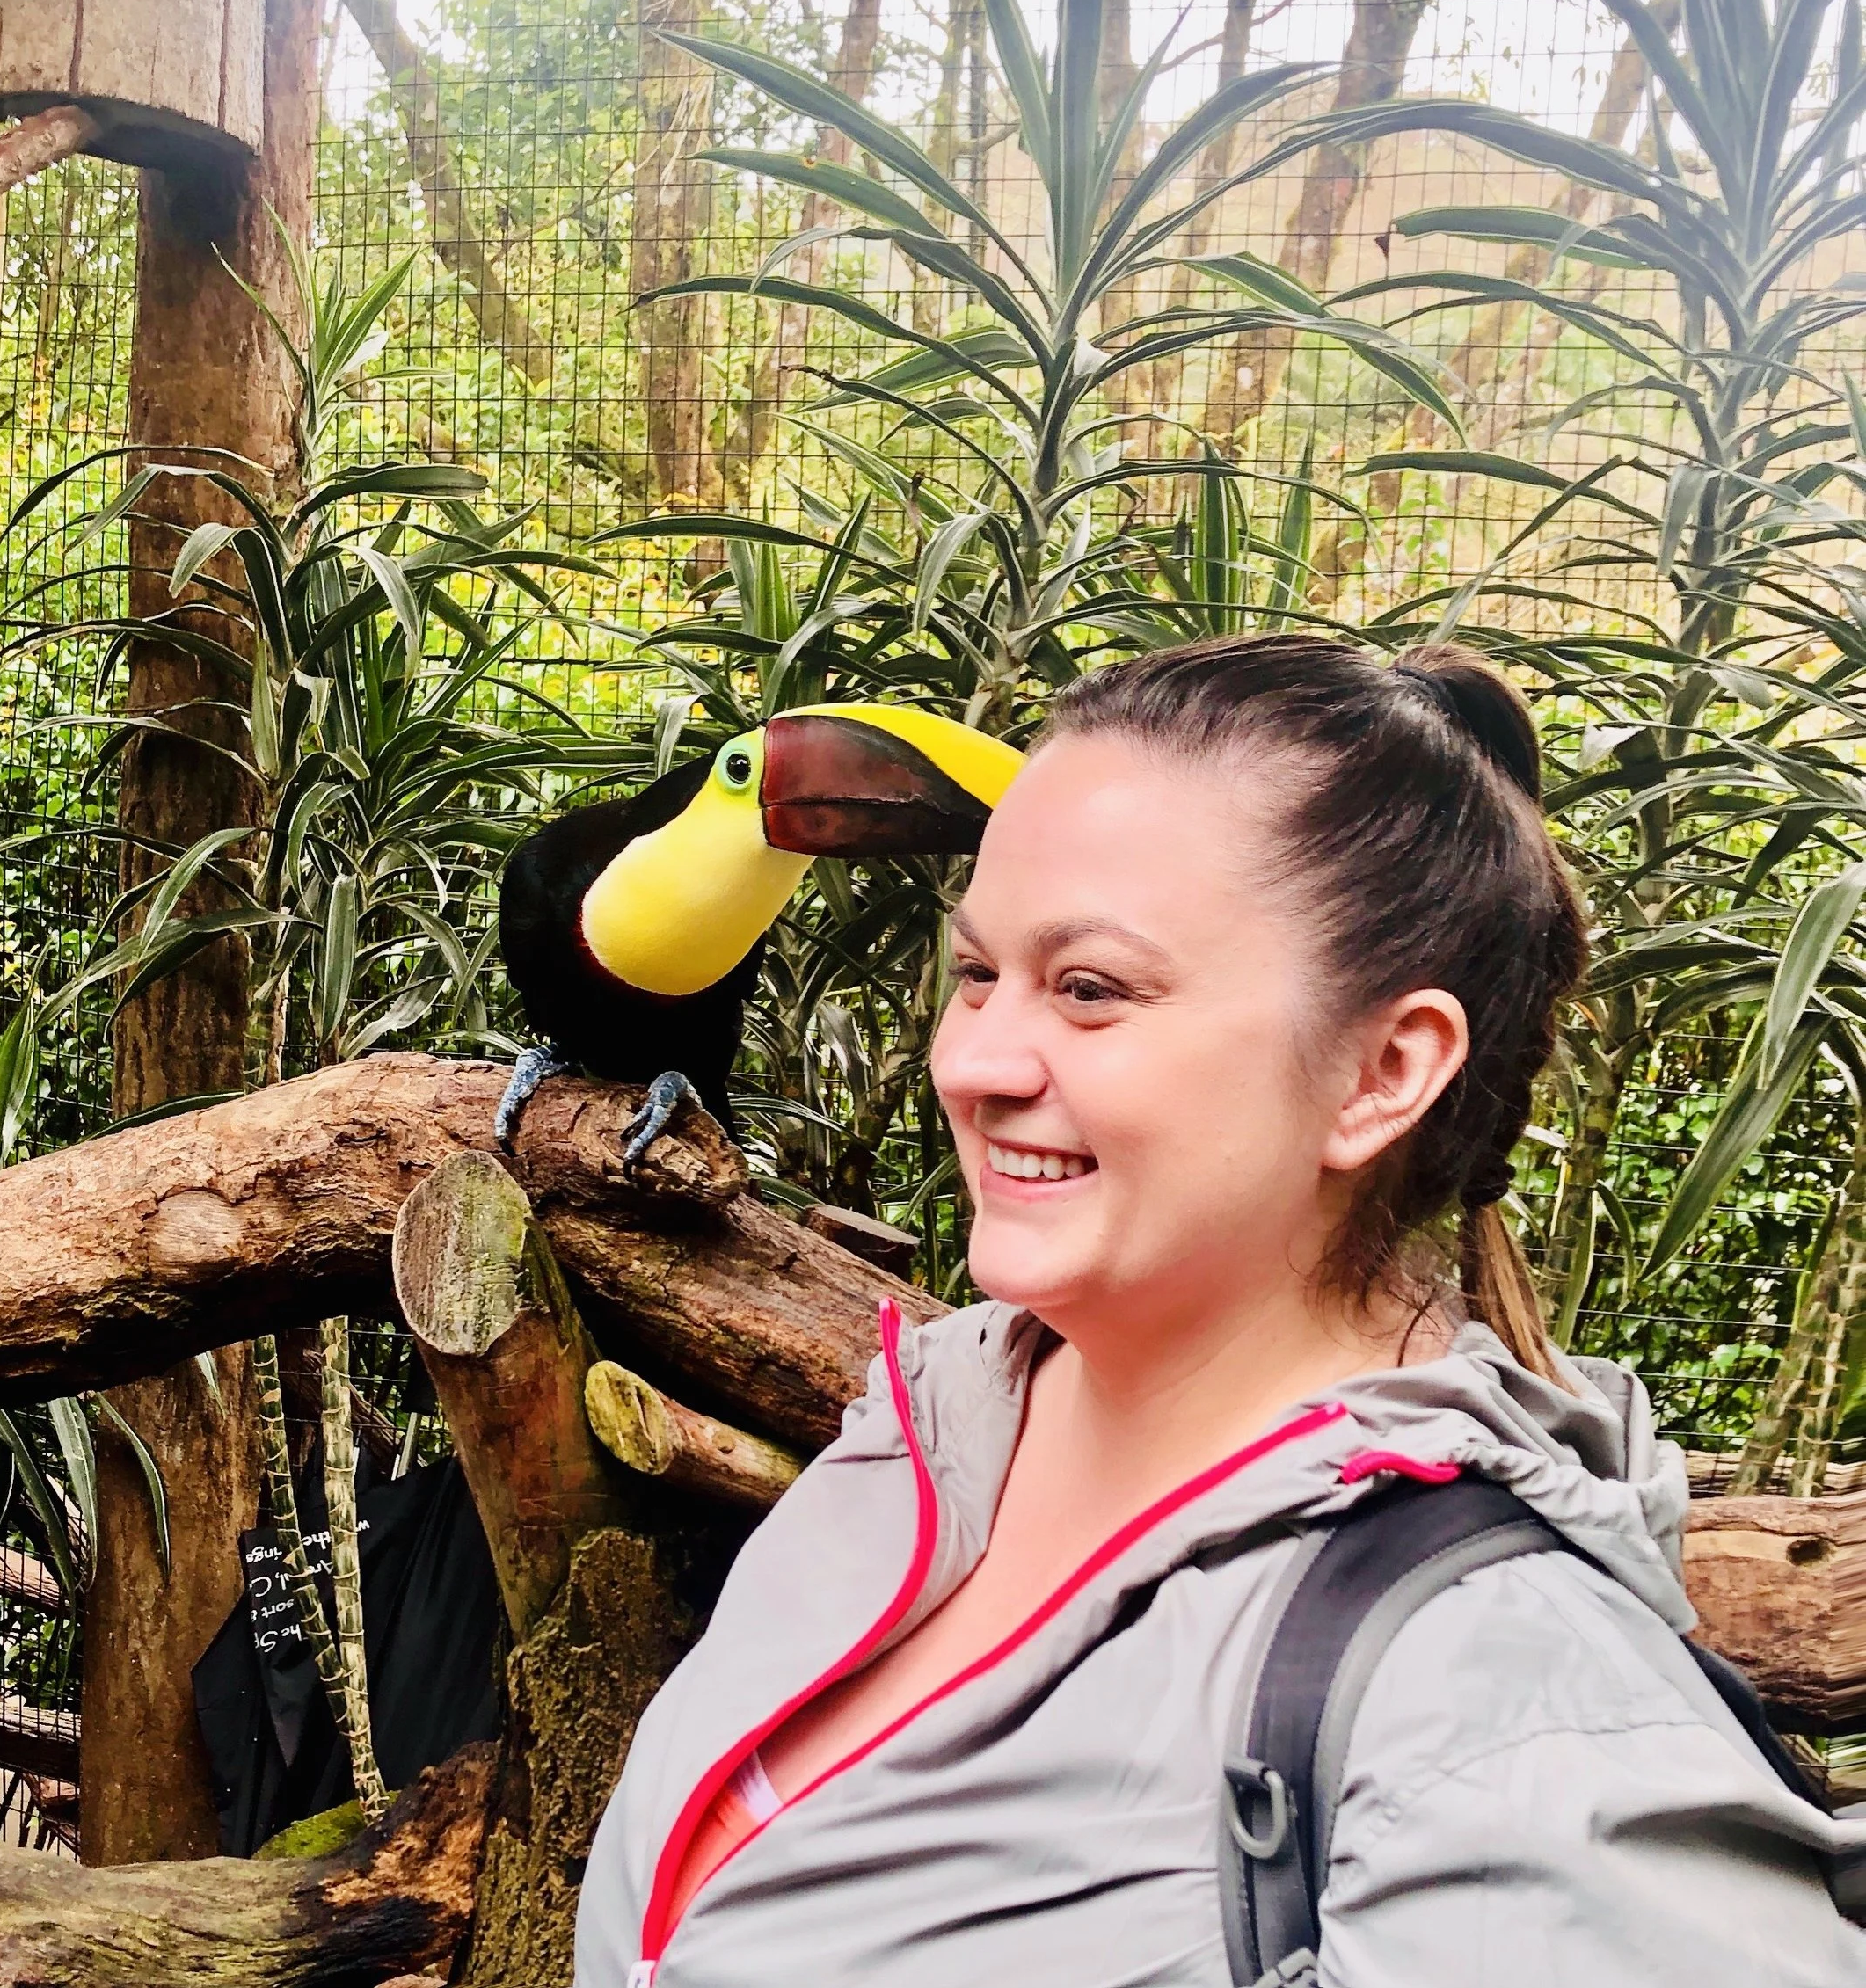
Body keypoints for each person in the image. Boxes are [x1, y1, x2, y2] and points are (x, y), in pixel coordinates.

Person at [573, 636, 1866, 1988]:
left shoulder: (1509, 1715)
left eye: (1090, 989)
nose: (971, 1062)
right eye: (976, 974)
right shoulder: (931, 1412)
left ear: (1382, 1071)